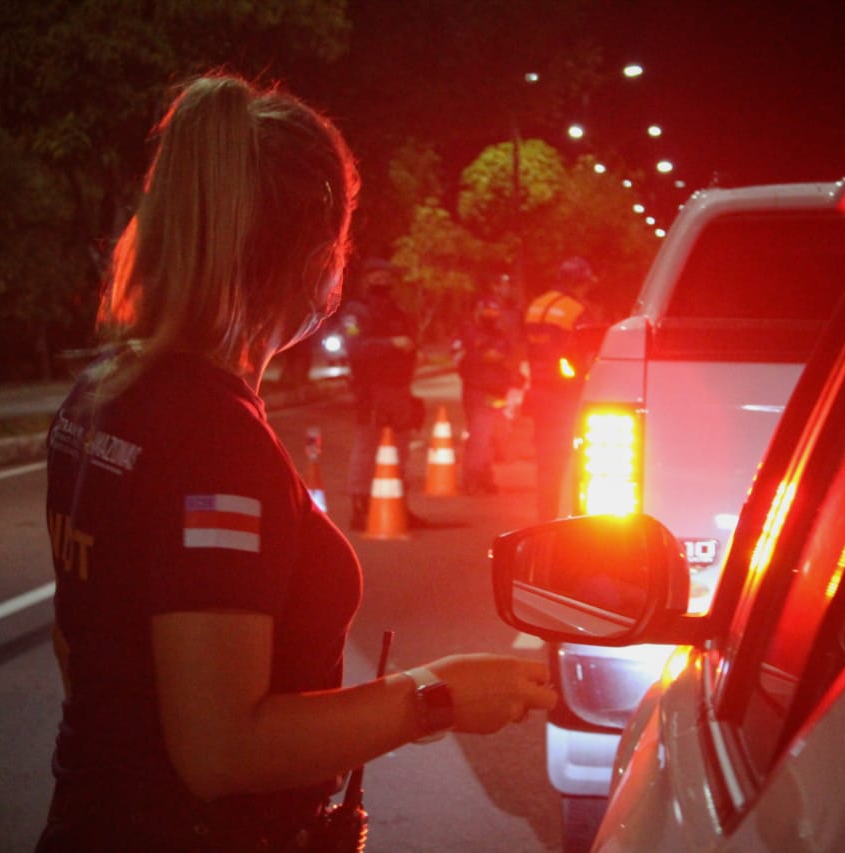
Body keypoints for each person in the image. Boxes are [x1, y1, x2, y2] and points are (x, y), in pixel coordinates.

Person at [37, 73, 556, 851]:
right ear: (318, 255)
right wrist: (435, 693)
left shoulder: (103, 394)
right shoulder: (212, 437)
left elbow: (81, 644)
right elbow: (220, 748)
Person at [339, 258, 426, 530]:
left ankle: (398, 505)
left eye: (386, 275)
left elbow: (411, 342)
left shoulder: (398, 311)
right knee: (367, 446)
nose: (382, 280)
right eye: (376, 274)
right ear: (366, 278)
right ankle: (361, 506)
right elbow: (355, 347)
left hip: (400, 389)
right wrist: (391, 344)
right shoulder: (356, 312)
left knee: (401, 449)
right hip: (371, 389)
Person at [522, 256, 601, 519]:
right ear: (583, 283)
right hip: (566, 395)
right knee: (575, 458)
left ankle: (545, 515)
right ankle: (570, 519)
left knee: (546, 461)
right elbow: (586, 353)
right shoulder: (577, 310)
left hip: (538, 391)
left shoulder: (537, 305)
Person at [452, 294, 524, 494]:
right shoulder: (467, 332)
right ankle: (472, 480)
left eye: (495, 310)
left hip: (498, 391)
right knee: (479, 437)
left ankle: (485, 478)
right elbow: (458, 358)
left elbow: (510, 359)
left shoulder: (500, 335)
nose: (491, 314)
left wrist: (514, 376)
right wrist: (483, 357)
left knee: (493, 438)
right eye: (487, 309)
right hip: (477, 390)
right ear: (478, 310)